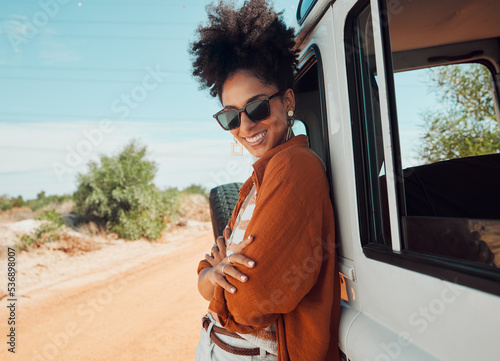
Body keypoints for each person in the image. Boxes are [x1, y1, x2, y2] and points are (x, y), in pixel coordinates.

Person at [190, 0, 340, 360]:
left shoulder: (295, 167)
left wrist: (213, 277)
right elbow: (209, 274)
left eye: (257, 107)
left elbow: (251, 300)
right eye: (230, 117)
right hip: (217, 344)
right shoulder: (259, 177)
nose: (245, 126)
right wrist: (214, 274)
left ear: (287, 100)